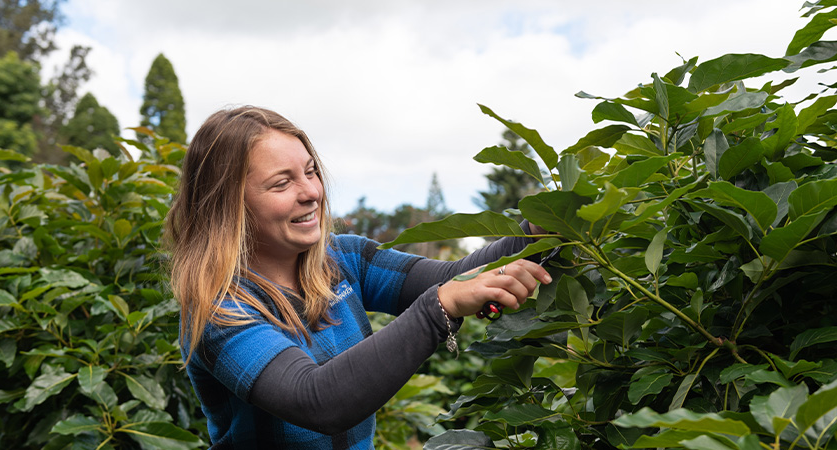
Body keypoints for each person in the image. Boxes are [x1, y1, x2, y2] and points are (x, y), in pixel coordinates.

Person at [164, 106, 552, 449]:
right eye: (281, 183)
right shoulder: (217, 309)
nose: (310, 192)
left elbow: (454, 276)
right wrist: (439, 307)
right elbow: (316, 400)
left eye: (311, 172)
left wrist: (539, 228)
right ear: (228, 207)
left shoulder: (343, 258)